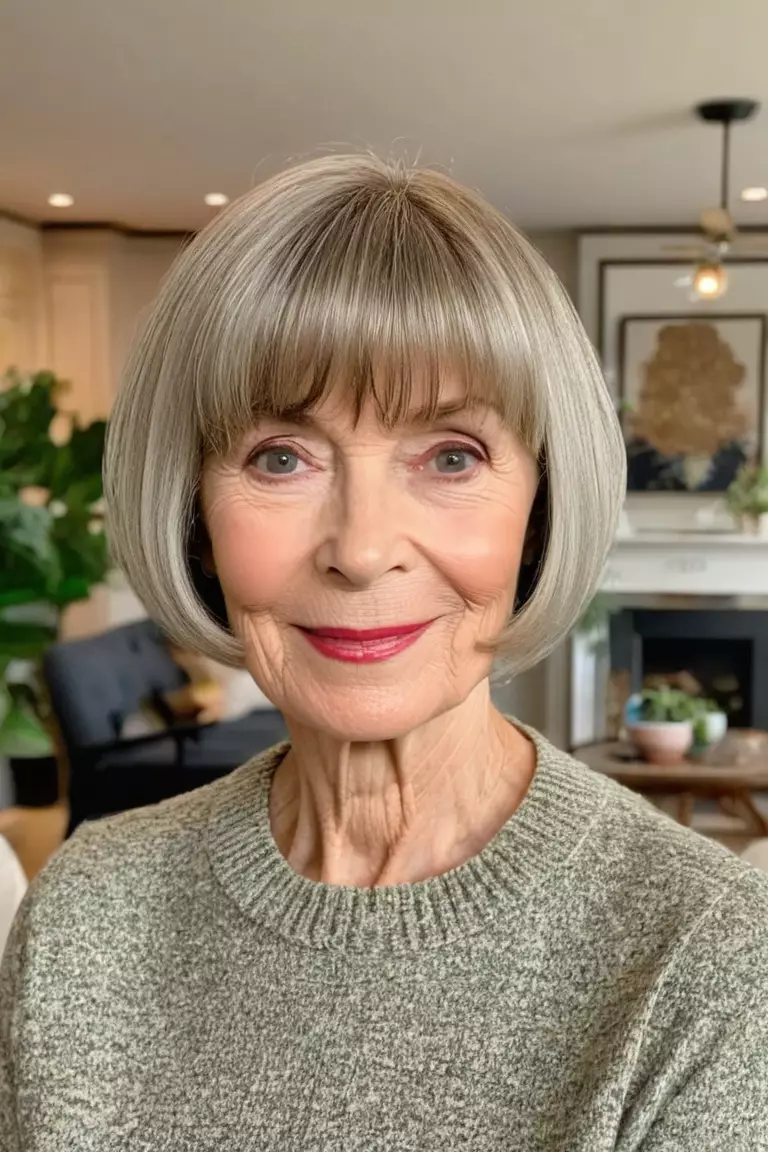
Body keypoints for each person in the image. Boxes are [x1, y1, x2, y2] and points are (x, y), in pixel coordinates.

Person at [1, 155, 767, 1152]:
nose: (362, 550)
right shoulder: (85, 912)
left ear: (541, 506)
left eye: (452, 455)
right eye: (281, 456)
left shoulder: (707, 950)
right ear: (193, 511)